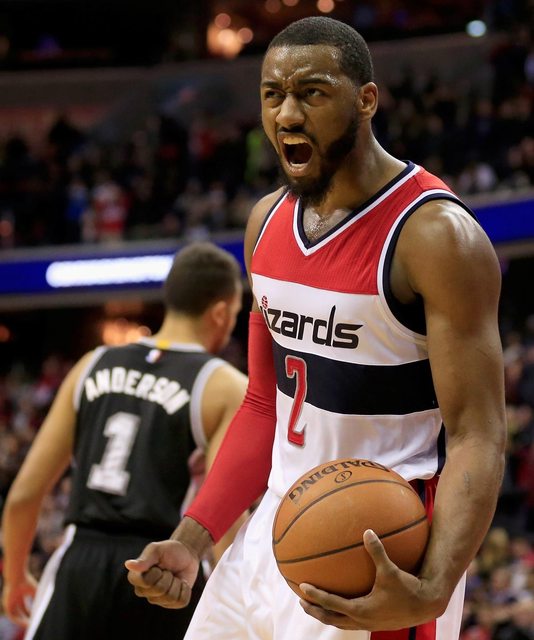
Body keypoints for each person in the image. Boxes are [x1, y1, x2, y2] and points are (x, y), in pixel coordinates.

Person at [126, 17, 507, 640]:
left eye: (312, 93)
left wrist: (434, 587)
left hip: (373, 550)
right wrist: (193, 538)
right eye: (273, 95)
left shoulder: (435, 236)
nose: (287, 114)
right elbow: (262, 404)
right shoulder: (265, 223)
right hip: (268, 535)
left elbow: (479, 435)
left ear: (366, 99)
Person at [2, 242, 248, 640]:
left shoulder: (93, 363)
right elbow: (227, 517)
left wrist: (15, 577)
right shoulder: (225, 385)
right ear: (221, 312)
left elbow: (24, 495)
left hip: (80, 565)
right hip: (164, 571)